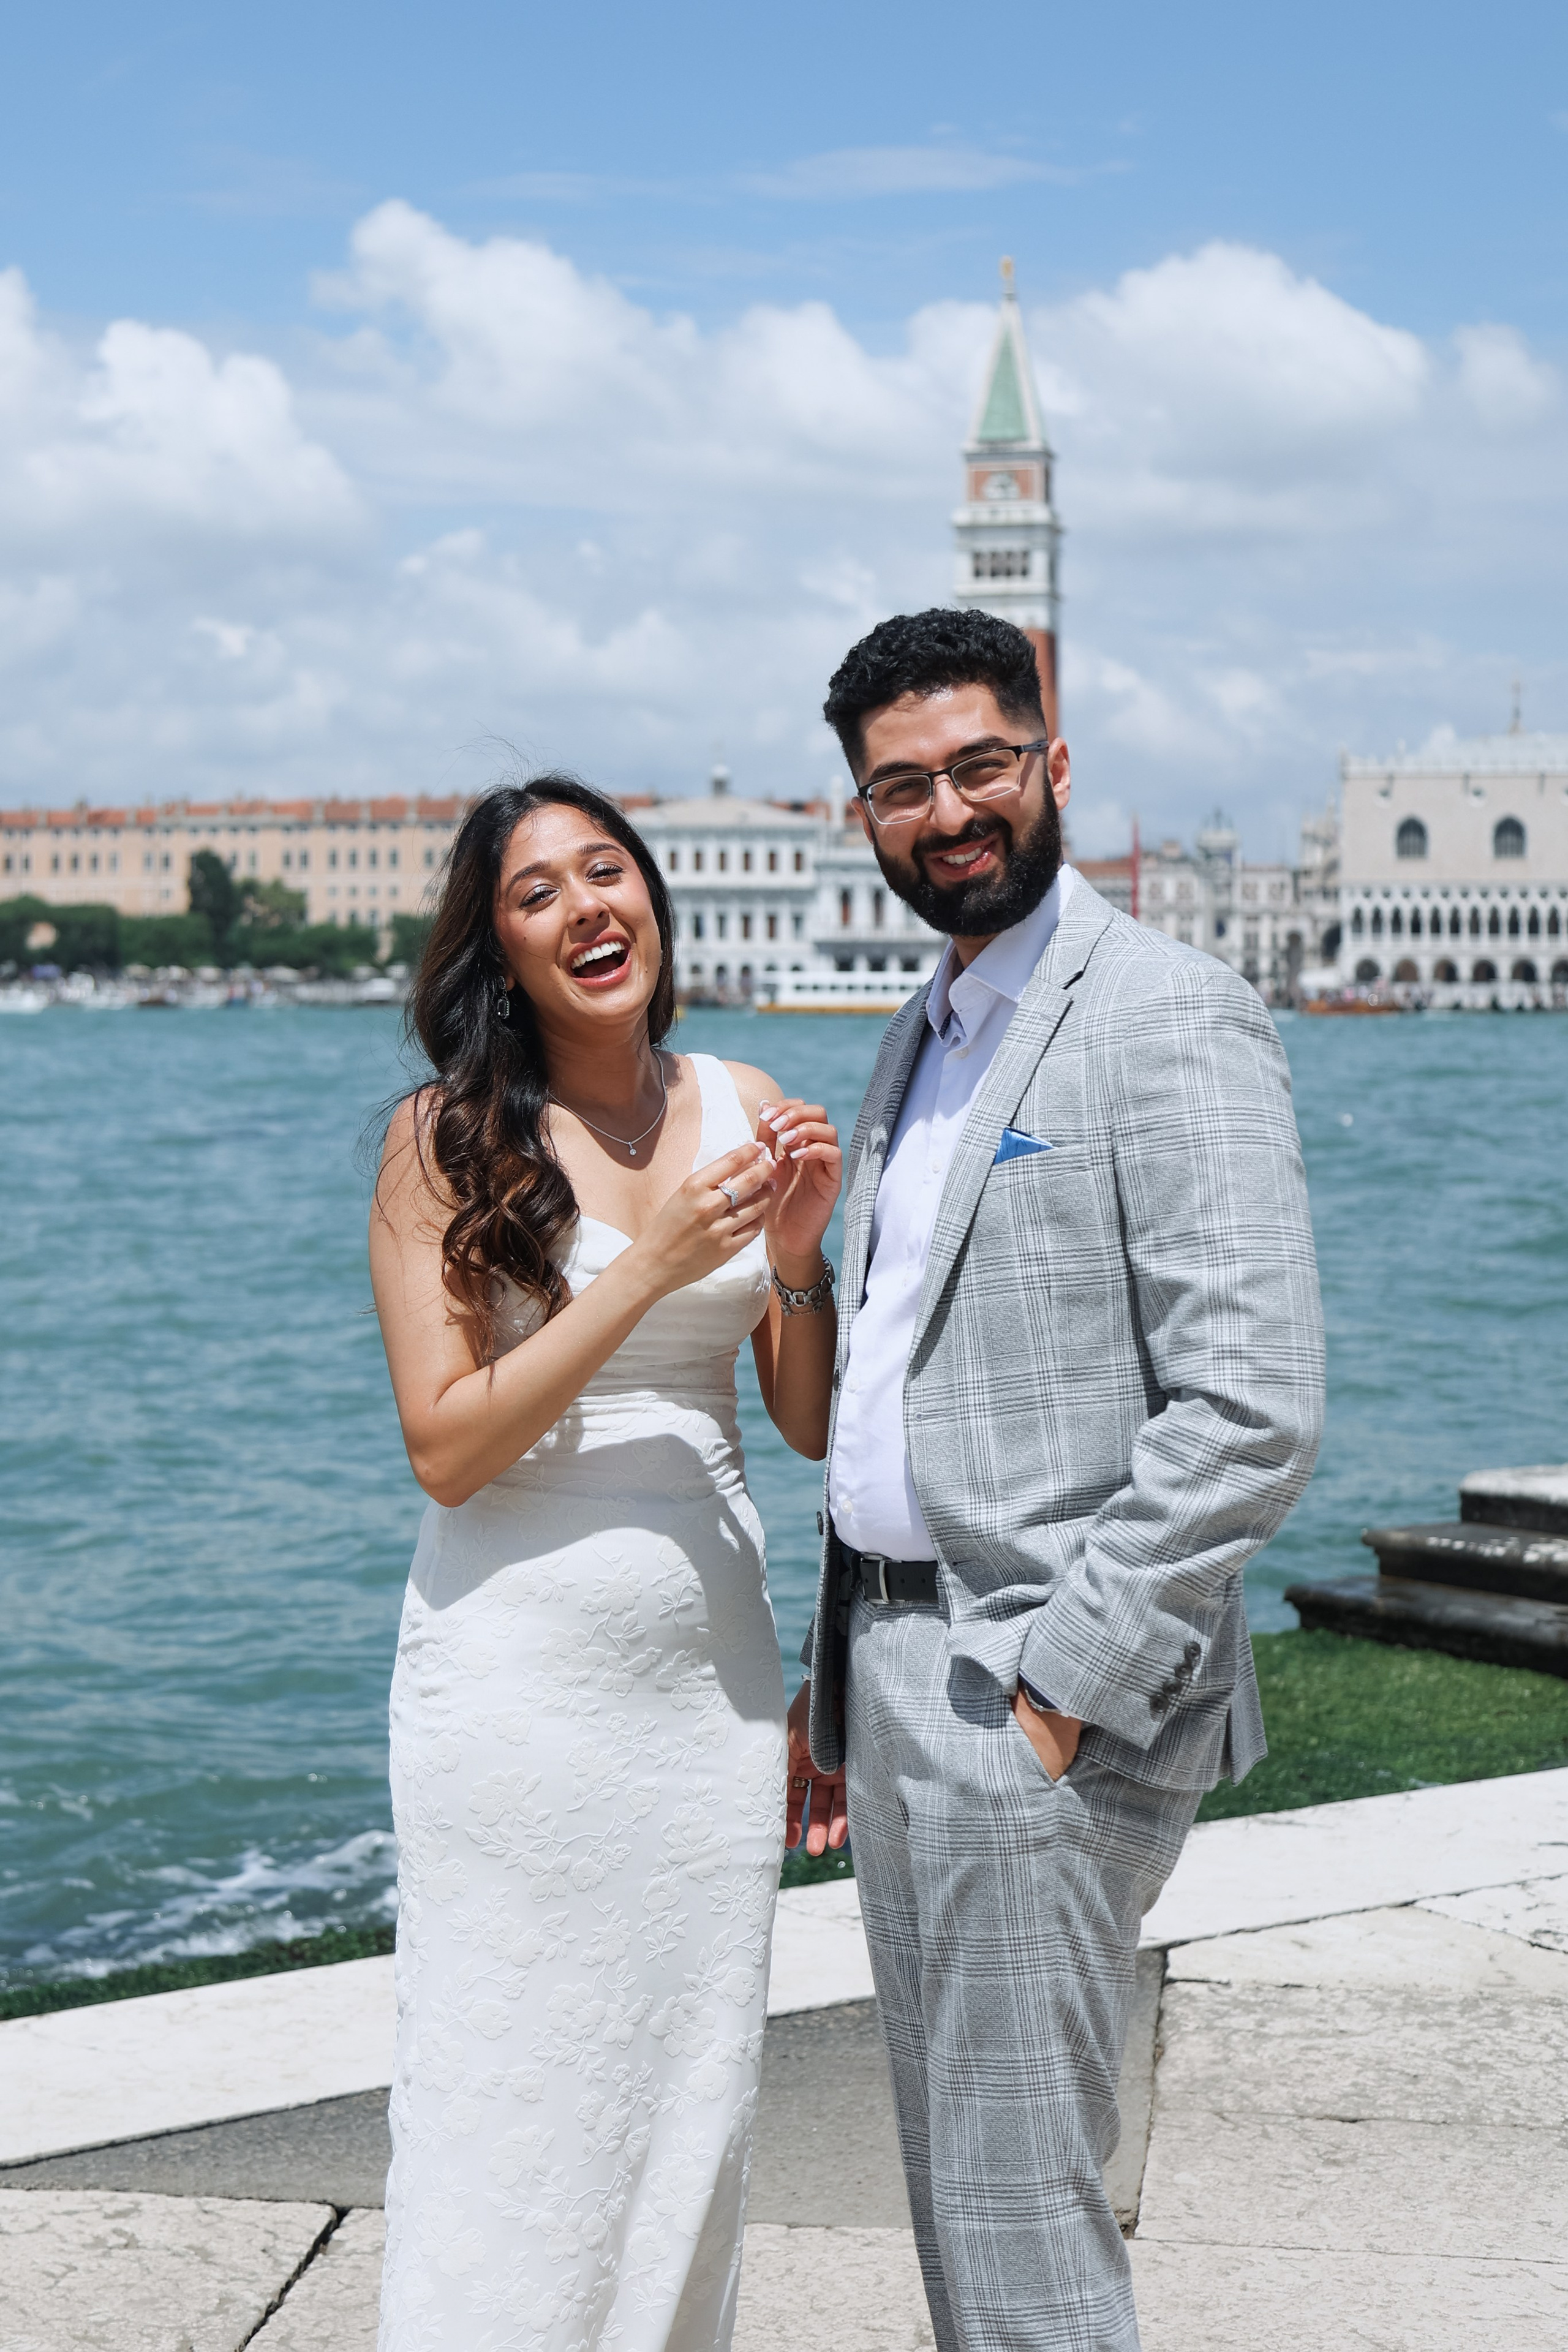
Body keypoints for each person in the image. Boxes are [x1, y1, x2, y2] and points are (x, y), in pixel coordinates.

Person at [786, 611, 1324, 2352]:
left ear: (1054, 767)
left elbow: (1252, 1406)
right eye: (902, 785)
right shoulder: (920, 1037)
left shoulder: (1169, 1017)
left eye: (978, 768)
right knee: (961, 2187)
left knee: (1020, 2215)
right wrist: (842, 1676)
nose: (947, 810)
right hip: (896, 1672)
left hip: (1035, 1687)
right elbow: (904, 1377)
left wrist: (1056, 1696)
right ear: (862, 814)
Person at [369, 775, 841, 2352]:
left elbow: (804, 1424)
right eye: (537, 893)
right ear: (495, 948)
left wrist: (793, 1262)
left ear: (652, 894)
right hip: (514, 1700)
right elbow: (447, 1447)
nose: (587, 908)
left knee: (687, 2100)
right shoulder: (438, 1143)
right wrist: (642, 1270)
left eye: (607, 872)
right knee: (507, 2095)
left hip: (703, 1699)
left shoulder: (739, 1093)